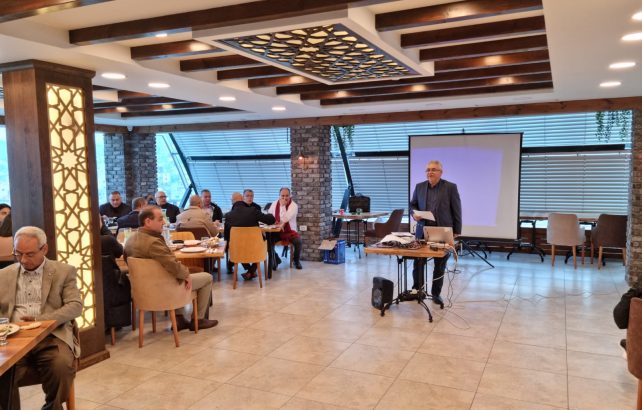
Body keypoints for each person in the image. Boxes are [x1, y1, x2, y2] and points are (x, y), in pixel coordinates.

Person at [0, 226, 82, 410]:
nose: (23, 260)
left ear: (44, 249)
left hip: (52, 335)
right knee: (3, 372)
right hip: (13, 338)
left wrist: (41, 320)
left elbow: (75, 306)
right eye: (18, 253)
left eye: (29, 254)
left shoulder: (64, 271)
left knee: (60, 366)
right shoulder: (3, 275)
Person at [124, 206, 218, 331]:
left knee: (174, 275)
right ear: (148, 221)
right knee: (206, 277)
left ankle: (179, 320)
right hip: (164, 289)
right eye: (160, 219)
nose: (164, 222)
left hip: (142, 290)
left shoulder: (130, 240)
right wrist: (186, 275)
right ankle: (199, 320)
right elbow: (173, 265)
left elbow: (127, 261)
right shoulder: (153, 242)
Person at [409, 160, 462, 306]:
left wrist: (457, 230)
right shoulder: (419, 187)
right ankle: (417, 290)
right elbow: (412, 204)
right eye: (427, 170)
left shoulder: (450, 187)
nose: (430, 172)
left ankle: (436, 294)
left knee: (440, 264)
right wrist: (414, 214)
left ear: (440, 172)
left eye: (433, 169)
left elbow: (457, 209)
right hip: (423, 230)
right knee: (418, 262)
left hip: (442, 231)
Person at [224, 192, 275, 280]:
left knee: (237, 247)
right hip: (255, 247)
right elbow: (271, 220)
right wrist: (270, 214)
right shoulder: (252, 211)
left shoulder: (228, 215)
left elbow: (226, 237)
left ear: (232, 202)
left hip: (237, 250)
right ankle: (251, 271)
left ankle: (244, 269)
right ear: (242, 199)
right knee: (265, 245)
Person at [268, 187, 303, 270]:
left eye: (287, 195)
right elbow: (269, 215)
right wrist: (272, 221)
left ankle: (296, 260)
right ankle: (276, 259)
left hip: (290, 231)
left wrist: (282, 206)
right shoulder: (274, 203)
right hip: (276, 231)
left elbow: (285, 219)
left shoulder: (293, 206)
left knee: (298, 242)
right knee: (268, 242)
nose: (285, 198)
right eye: (282, 196)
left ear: (290, 195)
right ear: (279, 195)